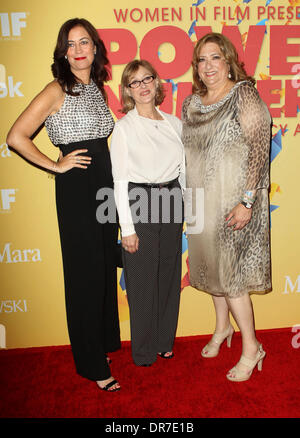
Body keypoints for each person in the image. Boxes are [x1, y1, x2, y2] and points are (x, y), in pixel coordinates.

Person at [6, 18, 121, 392]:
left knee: (104, 264)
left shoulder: (99, 89)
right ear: (63, 52)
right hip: (77, 188)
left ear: (95, 47)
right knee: (85, 274)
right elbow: (16, 137)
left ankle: (101, 344)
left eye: (84, 41)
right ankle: (91, 364)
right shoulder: (57, 89)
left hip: (105, 184)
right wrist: (57, 164)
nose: (78, 49)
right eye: (70, 44)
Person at [182, 33, 272, 382]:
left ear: (228, 60)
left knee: (232, 277)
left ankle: (252, 347)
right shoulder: (191, 103)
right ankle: (222, 329)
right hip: (200, 202)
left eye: (215, 58)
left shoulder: (243, 94)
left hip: (235, 202)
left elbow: (259, 145)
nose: (208, 66)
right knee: (210, 271)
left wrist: (247, 201)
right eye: (201, 60)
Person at [110, 60, 185, 367]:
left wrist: (189, 210)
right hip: (139, 200)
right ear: (127, 90)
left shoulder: (173, 123)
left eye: (147, 79)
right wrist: (126, 228)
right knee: (141, 281)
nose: (142, 86)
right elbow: (119, 180)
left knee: (168, 275)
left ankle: (165, 340)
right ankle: (142, 350)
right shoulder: (124, 128)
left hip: (171, 199)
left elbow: (184, 170)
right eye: (134, 82)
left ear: (156, 83)